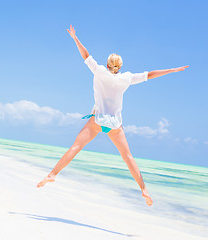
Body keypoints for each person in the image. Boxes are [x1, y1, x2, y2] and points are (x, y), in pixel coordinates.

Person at [37, 25, 189, 206]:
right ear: (120, 67)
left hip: (97, 121)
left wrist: (75, 38)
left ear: (108, 64)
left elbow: (86, 56)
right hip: (115, 125)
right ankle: (144, 189)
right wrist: (171, 70)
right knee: (128, 157)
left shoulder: (100, 71)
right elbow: (150, 74)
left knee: (75, 147)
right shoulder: (127, 78)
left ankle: (52, 174)